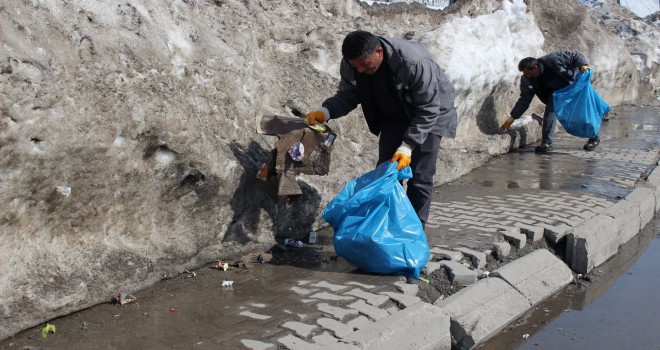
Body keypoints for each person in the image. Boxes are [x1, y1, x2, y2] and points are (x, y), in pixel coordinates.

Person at [305, 30, 457, 228]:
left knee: (420, 177)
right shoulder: (353, 63)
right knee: (386, 173)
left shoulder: (413, 62)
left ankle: (414, 231)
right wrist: (326, 111)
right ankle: (386, 227)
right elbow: (349, 95)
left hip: (432, 115)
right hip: (394, 116)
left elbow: (428, 109)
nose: (359, 70)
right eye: (355, 66)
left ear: (379, 52)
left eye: (364, 65)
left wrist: (408, 146)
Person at [500, 51, 601, 152]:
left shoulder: (552, 60)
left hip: (572, 88)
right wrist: (513, 117)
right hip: (556, 94)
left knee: (581, 115)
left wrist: (583, 65)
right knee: (549, 113)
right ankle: (546, 144)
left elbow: (575, 56)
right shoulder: (527, 79)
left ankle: (594, 137)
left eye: (528, 73)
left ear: (535, 67)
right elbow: (525, 99)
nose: (527, 76)